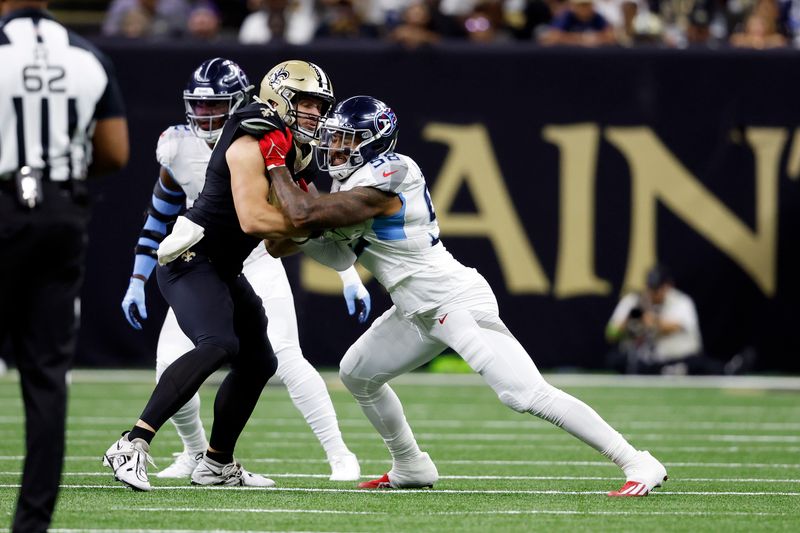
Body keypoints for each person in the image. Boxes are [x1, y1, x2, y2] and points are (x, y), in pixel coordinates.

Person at [266, 95, 667, 497]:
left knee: (524, 393)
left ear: (373, 142)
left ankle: (636, 460)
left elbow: (305, 217)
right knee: (357, 373)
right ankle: (410, 464)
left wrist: (274, 168)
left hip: (453, 301)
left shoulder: (394, 171)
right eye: (334, 139)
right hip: (414, 310)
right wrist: (286, 223)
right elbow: (301, 244)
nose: (334, 148)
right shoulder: (347, 185)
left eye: (346, 140)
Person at [119, 57, 364, 482]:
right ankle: (133, 443)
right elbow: (254, 220)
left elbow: (278, 240)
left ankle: (215, 463)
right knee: (217, 345)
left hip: (230, 264)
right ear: (280, 98)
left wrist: (334, 249)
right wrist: (320, 220)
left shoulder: (290, 143)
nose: (317, 114)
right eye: (307, 103)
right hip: (193, 258)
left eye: (320, 105)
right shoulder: (255, 134)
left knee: (261, 360)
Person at [0, 1, 129, 530]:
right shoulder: (86, 54)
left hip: (4, 203)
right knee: (47, 375)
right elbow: (115, 151)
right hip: (61, 212)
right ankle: (33, 524)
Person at [605, 264, 751, 375]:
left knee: (697, 363)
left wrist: (651, 320)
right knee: (616, 359)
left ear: (667, 287)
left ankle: (728, 369)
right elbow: (611, 334)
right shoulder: (634, 301)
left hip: (678, 357)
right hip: (646, 359)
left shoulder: (681, 301)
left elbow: (674, 327)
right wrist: (627, 322)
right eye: (651, 288)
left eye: (657, 289)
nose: (653, 294)